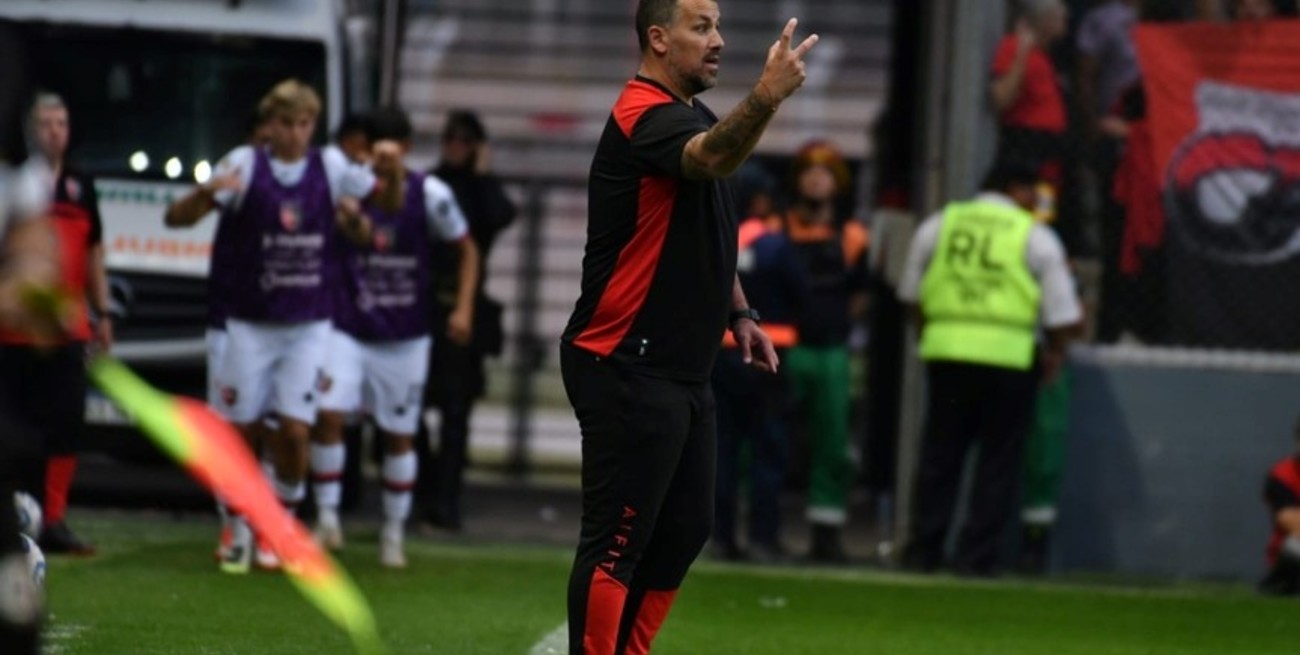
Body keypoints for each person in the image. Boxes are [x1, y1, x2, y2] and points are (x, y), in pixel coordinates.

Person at [559, 1, 816, 651]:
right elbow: (708, 160)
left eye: (718, 27)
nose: (718, 41)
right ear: (657, 38)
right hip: (623, 357)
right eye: (701, 27)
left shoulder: (690, 115)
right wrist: (766, 98)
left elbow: (704, 230)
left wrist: (739, 312)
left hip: (681, 364)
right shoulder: (641, 111)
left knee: (683, 531)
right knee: (618, 539)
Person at [164, 79, 375, 574]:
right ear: (272, 125)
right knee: (242, 430)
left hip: (307, 323)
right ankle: (237, 529)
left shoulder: (331, 166)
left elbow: (368, 225)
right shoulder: (243, 163)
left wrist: (353, 221)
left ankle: (279, 530)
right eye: (289, 123)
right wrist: (206, 194)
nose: (299, 133)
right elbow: (177, 218)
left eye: (306, 124)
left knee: (296, 431)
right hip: (249, 322)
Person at [309, 107, 479, 568]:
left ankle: (391, 533)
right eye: (371, 148)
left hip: (405, 336)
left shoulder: (432, 193)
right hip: (348, 326)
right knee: (327, 414)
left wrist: (464, 307)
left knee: (398, 434)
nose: (378, 156)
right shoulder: (351, 185)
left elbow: (467, 249)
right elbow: (356, 231)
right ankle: (326, 519)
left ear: (403, 149)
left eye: (388, 147)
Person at [898, 159, 1082, 577]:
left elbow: (910, 291)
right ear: (1016, 189)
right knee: (997, 462)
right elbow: (1061, 314)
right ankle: (975, 557)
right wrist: (1053, 355)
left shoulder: (942, 223)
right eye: (1032, 192)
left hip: (946, 354)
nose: (1035, 202)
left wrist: (929, 334)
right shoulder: (1033, 234)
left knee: (939, 455)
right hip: (1010, 360)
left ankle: (923, 551)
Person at [0, 93, 112, 557]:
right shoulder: (17, 179)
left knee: (64, 424)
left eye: (60, 122)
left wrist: (100, 312)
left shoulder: (73, 185)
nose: (52, 131)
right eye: (43, 122)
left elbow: (91, 251)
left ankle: (53, 519)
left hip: (61, 331)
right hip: (9, 335)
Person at [415, 109, 517, 532]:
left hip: (465, 309)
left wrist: (482, 171)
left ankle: (446, 502)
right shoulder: (429, 184)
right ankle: (427, 488)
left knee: (457, 415)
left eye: (464, 139)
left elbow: (500, 216)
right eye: (450, 138)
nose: (455, 145)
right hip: (423, 306)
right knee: (410, 408)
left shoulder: (480, 191)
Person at [711, 161, 803, 564]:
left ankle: (721, 536)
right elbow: (803, 295)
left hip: (721, 356)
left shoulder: (716, 237)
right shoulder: (774, 245)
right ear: (763, 200)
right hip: (770, 359)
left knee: (723, 450)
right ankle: (764, 537)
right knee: (768, 449)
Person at [781, 141, 869, 564]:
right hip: (784, 349)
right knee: (770, 440)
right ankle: (761, 528)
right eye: (809, 170)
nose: (816, 178)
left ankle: (826, 532)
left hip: (831, 351)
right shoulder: (777, 230)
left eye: (826, 171)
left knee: (832, 443)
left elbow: (859, 294)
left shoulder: (852, 237)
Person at [990, 0, 1069, 192]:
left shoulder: (1045, 55)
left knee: (1045, 206)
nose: (1065, 23)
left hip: (1048, 152)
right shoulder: (1015, 47)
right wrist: (1022, 52)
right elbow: (1001, 97)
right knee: (1025, 201)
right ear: (1045, 21)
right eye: (1060, 18)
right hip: (1026, 147)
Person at [1260, 418, 1300, 596]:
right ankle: (1281, 587)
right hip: (1292, 559)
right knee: (1295, 546)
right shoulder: (1282, 475)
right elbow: (1293, 524)